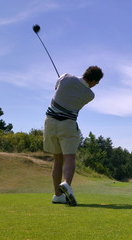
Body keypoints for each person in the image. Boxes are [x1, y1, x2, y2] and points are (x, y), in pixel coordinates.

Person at [43, 66, 103, 206]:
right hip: (68, 124)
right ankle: (66, 184)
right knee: (69, 157)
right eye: (97, 83)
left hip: (50, 122)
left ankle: (57, 196)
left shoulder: (65, 77)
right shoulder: (90, 95)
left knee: (57, 160)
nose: (96, 86)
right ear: (93, 80)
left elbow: (56, 89)